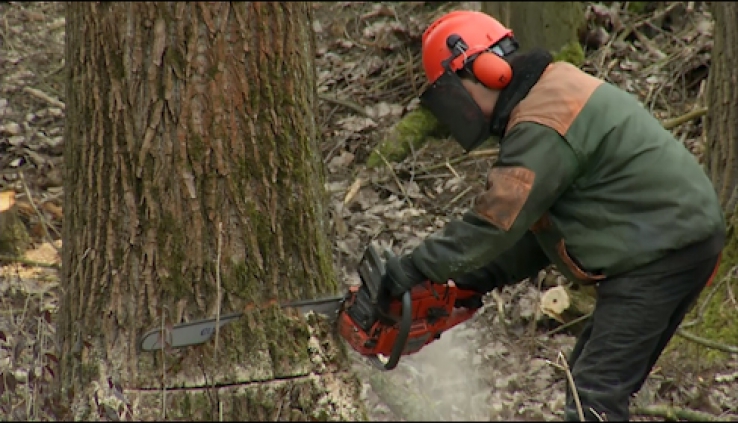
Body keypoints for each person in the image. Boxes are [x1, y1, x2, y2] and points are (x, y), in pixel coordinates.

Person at [379, 10, 726, 421]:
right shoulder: (548, 95)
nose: (455, 108)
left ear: (488, 71)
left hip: (660, 252)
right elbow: (534, 230)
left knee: (594, 395)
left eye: (454, 92)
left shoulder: (543, 121)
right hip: (671, 242)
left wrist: (416, 267)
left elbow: (496, 221)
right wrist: (472, 278)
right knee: (591, 383)